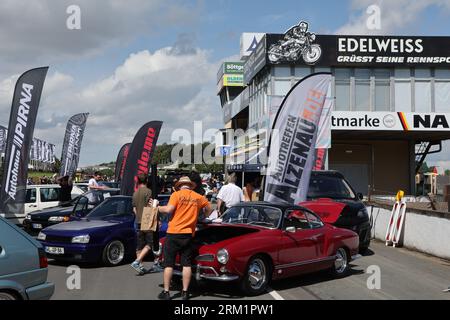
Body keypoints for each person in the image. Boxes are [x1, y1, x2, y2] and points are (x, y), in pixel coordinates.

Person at [157, 176, 213, 300]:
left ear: (179, 185)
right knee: (186, 263)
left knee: (169, 264)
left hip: (173, 233)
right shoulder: (197, 196)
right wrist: (202, 216)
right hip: (188, 234)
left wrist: (157, 207)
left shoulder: (176, 195)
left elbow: (168, 209)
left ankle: (166, 292)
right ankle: (185, 292)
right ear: (189, 185)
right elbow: (209, 208)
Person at [130, 174, 161, 275]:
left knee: (139, 245)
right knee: (151, 243)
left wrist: (139, 215)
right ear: (147, 180)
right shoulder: (149, 191)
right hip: (147, 220)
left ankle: (140, 266)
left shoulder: (135, 193)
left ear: (138, 181)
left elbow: (134, 209)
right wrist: (157, 219)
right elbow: (152, 206)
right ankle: (139, 262)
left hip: (137, 221)